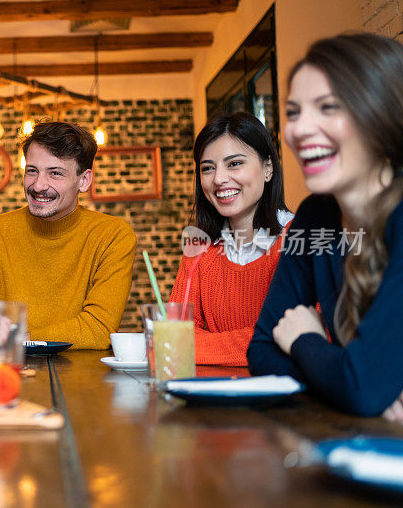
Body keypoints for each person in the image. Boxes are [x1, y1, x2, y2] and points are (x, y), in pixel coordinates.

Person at [247, 32, 403, 421]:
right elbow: (262, 352)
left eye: (328, 107)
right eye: (294, 112)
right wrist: (348, 379)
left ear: (382, 116)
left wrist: (305, 340)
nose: (299, 130)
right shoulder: (315, 217)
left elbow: (361, 386)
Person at [0, 121, 137, 349]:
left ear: (84, 181)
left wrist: (20, 339)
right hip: (6, 374)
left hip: (84, 380)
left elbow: (99, 329)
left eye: (55, 173)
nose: (39, 185)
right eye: (32, 171)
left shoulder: (113, 236)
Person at [169, 112, 293, 366]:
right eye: (207, 168)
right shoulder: (199, 248)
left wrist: (198, 346)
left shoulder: (301, 238)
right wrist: (262, 343)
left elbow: (308, 338)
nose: (219, 179)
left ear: (268, 168)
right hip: (209, 400)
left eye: (234, 163)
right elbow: (170, 340)